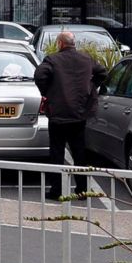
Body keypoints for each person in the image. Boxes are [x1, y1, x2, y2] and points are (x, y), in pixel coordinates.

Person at [34, 31, 107, 199]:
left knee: (57, 153)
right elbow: (102, 72)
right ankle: (82, 190)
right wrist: (91, 86)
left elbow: (39, 75)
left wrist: (48, 91)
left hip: (58, 114)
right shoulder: (86, 59)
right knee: (79, 153)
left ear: (60, 44)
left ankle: (56, 190)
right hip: (79, 114)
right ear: (74, 43)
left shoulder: (52, 60)